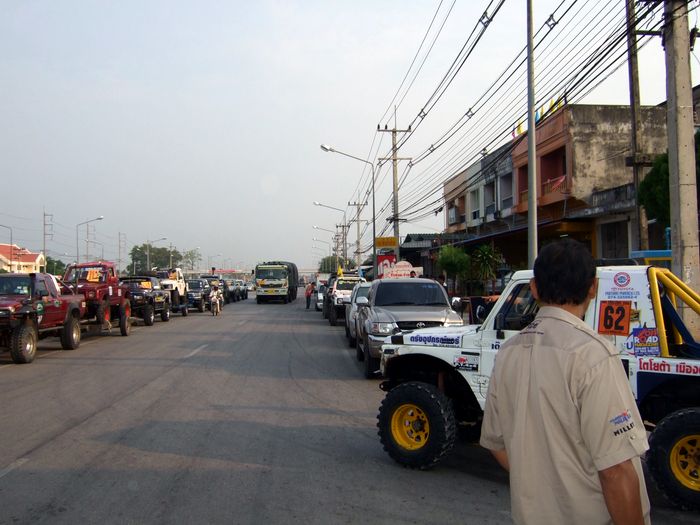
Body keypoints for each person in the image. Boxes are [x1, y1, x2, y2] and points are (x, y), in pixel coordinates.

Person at [480, 239, 650, 525]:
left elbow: (497, 444)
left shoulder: (508, 353)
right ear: (593, 288)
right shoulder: (594, 355)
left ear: (534, 288)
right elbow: (616, 469)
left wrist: (543, 487)